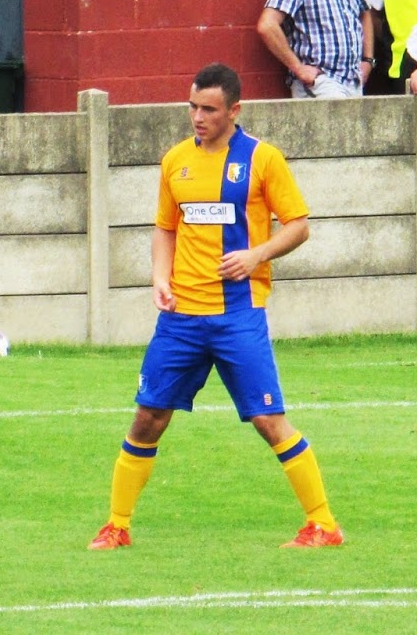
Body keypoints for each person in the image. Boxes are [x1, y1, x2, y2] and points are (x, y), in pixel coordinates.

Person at [88, 63, 342, 550]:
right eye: (193, 107)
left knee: (268, 420)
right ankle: (117, 525)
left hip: (238, 315)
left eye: (208, 109)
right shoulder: (175, 161)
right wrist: (160, 278)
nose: (197, 117)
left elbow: (298, 225)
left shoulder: (262, 159)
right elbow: (166, 228)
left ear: (234, 110)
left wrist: (256, 255)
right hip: (181, 318)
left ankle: (324, 524)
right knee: (147, 417)